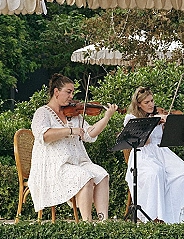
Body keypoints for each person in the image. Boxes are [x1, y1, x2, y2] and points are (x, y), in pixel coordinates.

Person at [28, 73, 118, 221]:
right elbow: (44, 135)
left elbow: (89, 134)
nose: (71, 96)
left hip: (77, 162)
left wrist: (106, 117)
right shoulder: (42, 112)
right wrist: (70, 130)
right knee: (85, 177)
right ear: (56, 92)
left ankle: (104, 221)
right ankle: (86, 223)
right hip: (54, 165)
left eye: (72, 92)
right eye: (68, 92)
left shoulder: (73, 114)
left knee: (102, 175)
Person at [123, 85, 184, 223]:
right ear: (138, 105)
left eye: (152, 101)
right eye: (146, 102)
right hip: (143, 155)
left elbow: (169, 138)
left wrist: (168, 125)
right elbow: (145, 141)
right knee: (155, 173)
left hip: (162, 153)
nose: (151, 105)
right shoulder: (131, 118)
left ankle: (183, 216)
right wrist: (152, 123)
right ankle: (155, 216)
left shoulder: (158, 115)